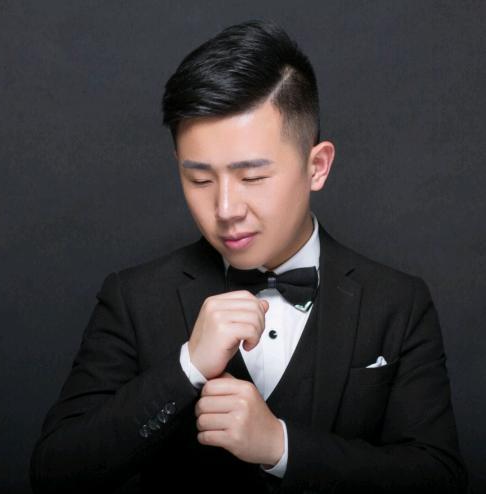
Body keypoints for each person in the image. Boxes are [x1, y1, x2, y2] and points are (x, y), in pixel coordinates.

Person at [30, 19, 469, 494]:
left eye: (253, 178)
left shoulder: (399, 303)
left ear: (317, 166)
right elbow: (56, 473)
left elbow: (437, 477)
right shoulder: (134, 297)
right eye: (199, 179)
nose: (225, 209)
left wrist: (280, 446)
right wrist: (186, 368)